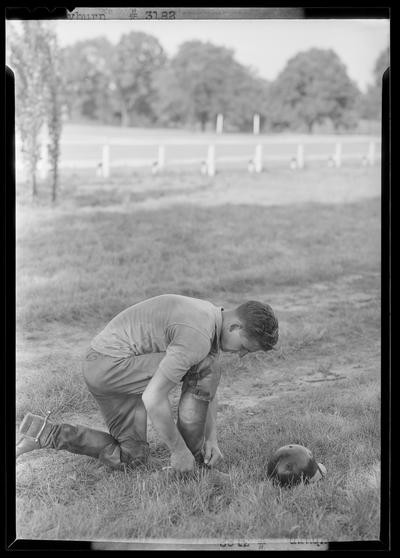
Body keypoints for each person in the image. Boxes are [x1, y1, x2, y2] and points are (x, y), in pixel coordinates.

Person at [16, 294, 279, 477]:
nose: (242, 355)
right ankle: (195, 464)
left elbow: (210, 391)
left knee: (132, 459)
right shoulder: (198, 335)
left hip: (101, 368)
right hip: (112, 365)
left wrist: (212, 438)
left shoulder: (211, 318)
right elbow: (154, 397)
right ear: (234, 326)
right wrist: (179, 451)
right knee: (205, 366)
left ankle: (44, 433)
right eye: (245, 347)